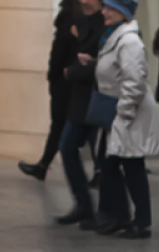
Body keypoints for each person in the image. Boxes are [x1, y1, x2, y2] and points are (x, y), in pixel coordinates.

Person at [93, 0, 159, 238]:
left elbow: (134, 81)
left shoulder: (129, 42)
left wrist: (122, 113)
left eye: (110, 8)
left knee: (132, 167)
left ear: (122, 12)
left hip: (127, 114)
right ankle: (121, 216)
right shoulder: (117, 38)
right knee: (111, 165)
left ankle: (141, 222)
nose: (104, 12)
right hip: (119, 113)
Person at [53, 0, 105, 225]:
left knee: (103, 157)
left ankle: (107, 211)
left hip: (98, 96)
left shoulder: (107, 21)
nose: (84, 1)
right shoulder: (78, 20)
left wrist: (85, 65)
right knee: (67, 147)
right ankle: (84, 204)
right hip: (80, 96)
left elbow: (104, 60)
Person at [19, 0, 78, 181]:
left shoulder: (69, 17)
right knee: (74, 127)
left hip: (65, 81)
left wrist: (53, 76)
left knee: (62, 125)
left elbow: (59, 52)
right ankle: (43, 165)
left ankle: (44, 166)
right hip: (74, 80)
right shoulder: (81, 18)